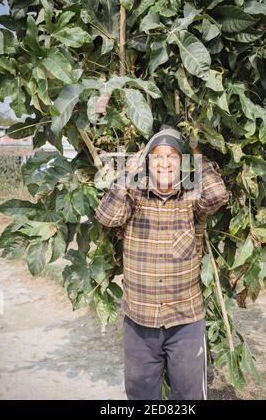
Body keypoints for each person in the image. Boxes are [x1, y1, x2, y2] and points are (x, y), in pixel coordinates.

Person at [95, 124, 230, 400]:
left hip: (186, 322)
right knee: (141, 396)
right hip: (139, 323)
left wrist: (196, 154)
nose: (165, 163)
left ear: (182, 163)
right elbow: (106, 217)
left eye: (172, 157)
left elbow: (217, 195)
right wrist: (126, 175)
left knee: (189, 397)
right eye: (157, 156)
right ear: (147, 162)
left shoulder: (192, 200)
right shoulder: (134, 197)